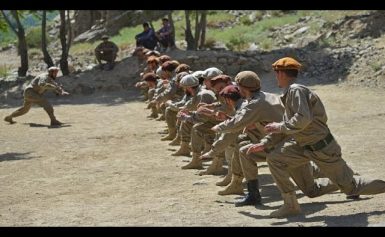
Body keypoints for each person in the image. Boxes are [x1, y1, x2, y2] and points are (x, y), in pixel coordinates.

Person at [247, 57, 385, 218]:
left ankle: (350, 180)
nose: (275, 77)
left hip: (322, 147)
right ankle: (291, 205)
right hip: (303, 145)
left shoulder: (296, 90)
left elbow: (302, 119)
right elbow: (287, 124)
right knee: (276, 160)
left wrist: (280, 127)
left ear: (282, 74)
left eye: (276, 73)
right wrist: (265, 143)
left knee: (352, 187)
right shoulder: (290, 92)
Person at [4, 67, 70, 126]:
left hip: (30, 93)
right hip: (31, 92)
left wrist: (62, 92)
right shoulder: (44, 77)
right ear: (51, 72)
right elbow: (42, 84)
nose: (56, 74)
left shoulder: (49, 78)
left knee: (24, 110)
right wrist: (54, 87)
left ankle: (9, 117)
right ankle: (53, 121)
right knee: (45, 103)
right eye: (55, 72)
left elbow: (55, 86)